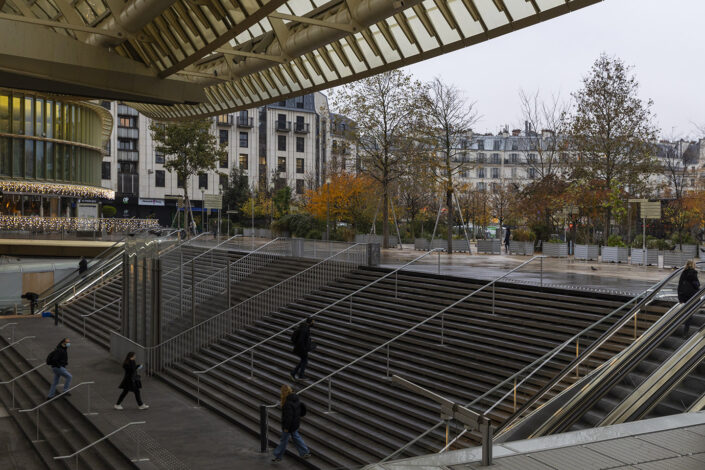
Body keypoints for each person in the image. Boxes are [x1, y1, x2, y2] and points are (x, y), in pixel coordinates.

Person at [272, 385, 311, 462]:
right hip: (295, 424)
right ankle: (305, 452)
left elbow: (288, 417)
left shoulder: (287, 404)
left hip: (289, 426)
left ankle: (278, 455)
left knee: (284, 440)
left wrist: (286, 428)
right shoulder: (296, 399)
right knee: (296, 437)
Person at [677, 259, 700, 336]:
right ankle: (686, 332)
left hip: (684, 296)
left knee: (687, 312)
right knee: (690, 313)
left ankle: (683, 328)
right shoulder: (693, 272)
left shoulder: (683, 273)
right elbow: (696, 284)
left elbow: (679, 286)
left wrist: (680, 298)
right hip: (692, 296)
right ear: (692, 264)